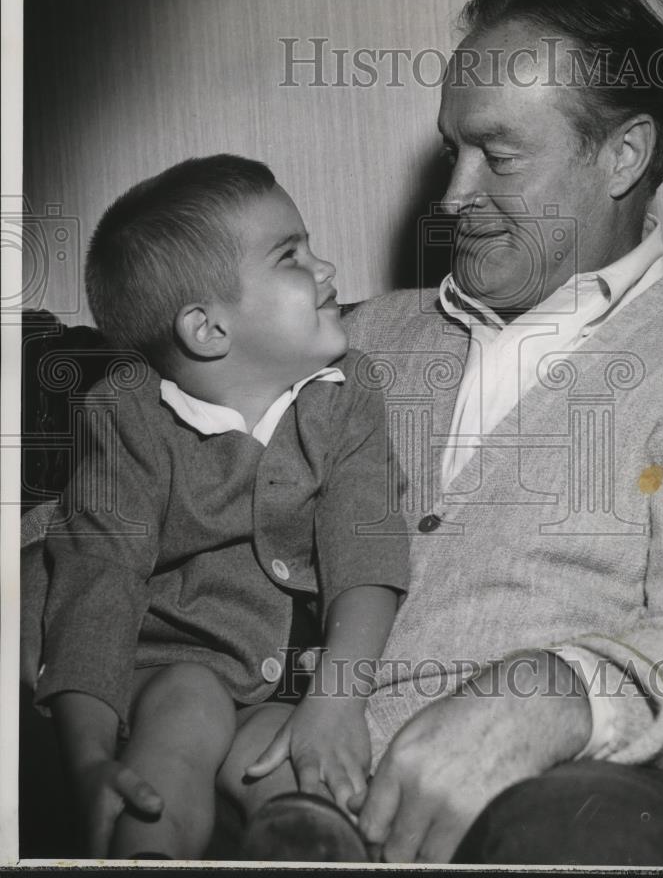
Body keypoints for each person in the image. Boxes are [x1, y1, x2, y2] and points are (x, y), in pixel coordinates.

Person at [339, 0, 663, 865]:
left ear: (622, 155)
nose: (451, 198)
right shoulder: (356, 337)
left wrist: (554, 695)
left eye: (499, 157)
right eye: (452, 151)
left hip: (526, 823)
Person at [21, 155, 408, 860]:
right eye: (291, 256)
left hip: (281, 687)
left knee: (293, 763)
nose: (325, 268)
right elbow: (95, 586)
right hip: (160, 675)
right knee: (188, 707)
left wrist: (335, 700)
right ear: (207, 329)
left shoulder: (348, 393)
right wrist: (88, 758)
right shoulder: (126, 416)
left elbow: (366, 553)